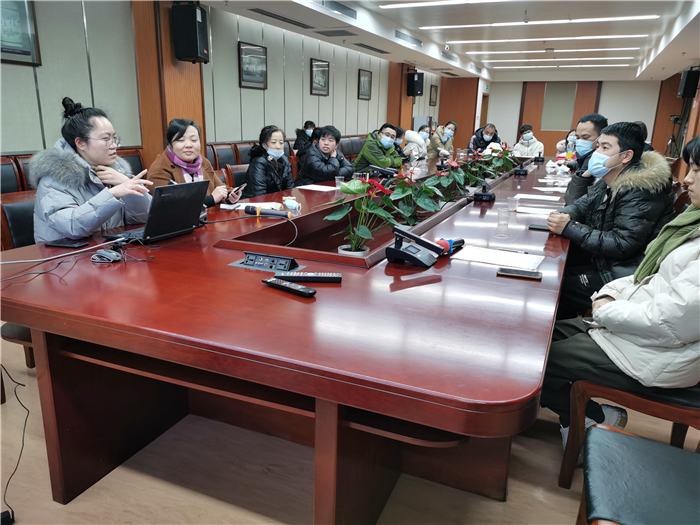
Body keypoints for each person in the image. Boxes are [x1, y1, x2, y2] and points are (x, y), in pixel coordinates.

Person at [541, 135, 700, 447]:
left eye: (696, 170)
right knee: (539, 339)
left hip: (658, 353)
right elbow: (649, 276)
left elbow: (672, 321)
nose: (687, 179)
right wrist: (609, 294)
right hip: (637, 326)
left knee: (537, 363)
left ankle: (594, 419)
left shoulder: (648, 195)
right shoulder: (691, 222)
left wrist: (607, 309)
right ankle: (584, 416)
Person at [547, 122, 675, 320]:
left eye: (605, 147)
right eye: (598, 146)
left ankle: (560, 334)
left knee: (554, 290)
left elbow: (622, 244)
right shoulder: (611, 177)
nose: (597, 152)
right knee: (551, 274)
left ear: (626, 156)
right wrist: (562, 215)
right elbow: (581, 205)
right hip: (603, 261)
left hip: (624, 273)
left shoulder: (641, 190)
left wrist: (569, 226)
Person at [29, 97, 152, 243]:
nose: (114, 145)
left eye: (114, 138)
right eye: (106, 139)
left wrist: (126, 184)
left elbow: (144, 218)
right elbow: (72, 227)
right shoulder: (54, 178)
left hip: (108, 250)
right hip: (66, 255)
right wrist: (112, 194)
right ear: (80, 143)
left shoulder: (115, 172)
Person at [147, 119, 241, 207]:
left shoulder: (203, 163)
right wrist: (211, 199)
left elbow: (221, 188)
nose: (189, 145)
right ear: (170, 144)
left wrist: (230, 196)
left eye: (194, 140)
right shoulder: (160, 168)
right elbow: (172, 204)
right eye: (181, 140)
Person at [563, 113, 609, 205]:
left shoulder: (598, 160)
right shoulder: (585, 155)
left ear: (601, 137)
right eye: (577, 137)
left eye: (585, 137)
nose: (580, 141)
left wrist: (583, 176)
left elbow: (574, 201)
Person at [241, 125, 294, 198]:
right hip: (255, 202)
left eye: (281, 143)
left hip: (276, 200)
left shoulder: (285, 161)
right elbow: (259, 195)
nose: (278, 146)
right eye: (273, 142)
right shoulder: (258, 162)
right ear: (264, 145)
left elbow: (290, 190)